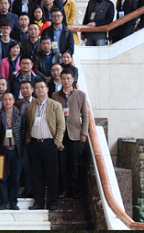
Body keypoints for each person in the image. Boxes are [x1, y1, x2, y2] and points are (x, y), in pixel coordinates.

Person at [26, 80, 65, 211]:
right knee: (36, 176)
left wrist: (57, 142)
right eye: (37, 87)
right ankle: (38, 202)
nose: (40, 89)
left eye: (42, 87)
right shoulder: (31, 106)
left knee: (52, 175)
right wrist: (28, 141)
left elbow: (61, 125)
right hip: (34, 144)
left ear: (47, 89)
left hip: (50, 144)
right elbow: (28, 124)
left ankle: (53, 202)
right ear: (34, 91)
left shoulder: (55, 105)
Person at [53, 68, 88, 199]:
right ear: (60, 80)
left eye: (68, 78)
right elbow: (52, 117)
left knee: (74, 165)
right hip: (60, 135)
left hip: (75, 134)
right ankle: (64, 189)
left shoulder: (81, 95)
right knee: (62, 164)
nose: (66, 81)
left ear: (73, 80)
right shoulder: (55, 95)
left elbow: (85, 115)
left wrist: (83, 133)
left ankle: (74, 189)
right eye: (63, 78)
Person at [0, 92, 25, 210]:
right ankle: (3, 202)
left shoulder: (21, 114)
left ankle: (13, 202)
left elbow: (23, 132)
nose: (7, 101)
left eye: (10, 99)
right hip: (2, 150)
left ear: (14, 100)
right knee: (2, 178)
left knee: (15, 178)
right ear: (2, 101)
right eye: (5, 99)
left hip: (16, 150)